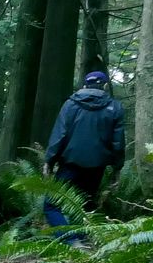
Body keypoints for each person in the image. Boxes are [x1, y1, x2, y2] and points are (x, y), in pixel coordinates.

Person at [44, 70, 126, 238]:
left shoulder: (70, 104)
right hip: (97, 166)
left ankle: (71, 242)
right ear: (104, 85)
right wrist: (117, 168)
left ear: (85, 85)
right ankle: (81, 241)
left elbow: (59, 134)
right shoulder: (115, 107)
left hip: (70, 163)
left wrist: (49, 161)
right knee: (84, 205)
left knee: (51, 205)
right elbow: (118, 143)